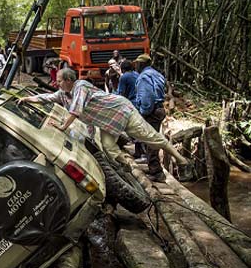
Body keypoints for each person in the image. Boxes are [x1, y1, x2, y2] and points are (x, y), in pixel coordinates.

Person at [17, 68, 193, 181]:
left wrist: (63, 126)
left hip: (122, 111)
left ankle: (182, 161)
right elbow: (46, 97)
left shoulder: (81, 86)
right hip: (108, 123)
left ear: (69, 80)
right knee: (108, 147)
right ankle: (130, 169)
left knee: (151, 138)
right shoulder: (64, 94)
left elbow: (76, 110)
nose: (57, 83)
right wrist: (27, 99)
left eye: (60, 80)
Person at [134, 53, 173, 181]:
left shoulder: (144, 77)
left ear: (141, 64)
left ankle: (156, 171)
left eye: (137, 64)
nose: (136, 66)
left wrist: (143, 112)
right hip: (159, 109)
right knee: (152, 139)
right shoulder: (157, 74)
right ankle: (154, 167)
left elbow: (147, 98)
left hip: (151, 111)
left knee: (150, 140)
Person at [117, 60, 144, 160]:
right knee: (139, 127)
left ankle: (139, 152)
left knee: (133, 128)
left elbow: (121, 94)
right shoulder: (137, 74)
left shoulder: (124, 77)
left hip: (131, 104)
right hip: (140, 103)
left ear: (123, 69)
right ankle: (139, 152)